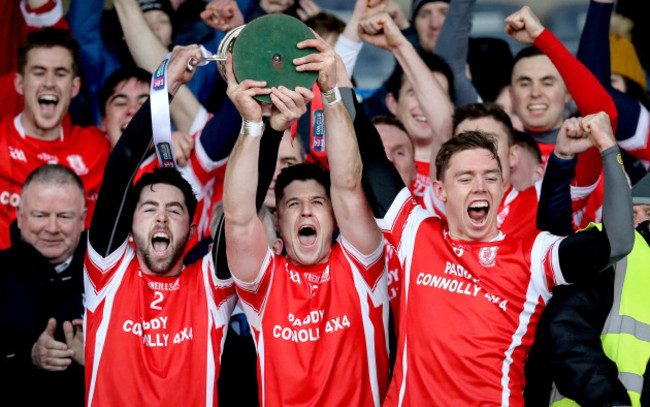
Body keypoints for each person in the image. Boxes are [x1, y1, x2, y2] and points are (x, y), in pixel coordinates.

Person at [355, 98, 633, 404]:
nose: (479, 187)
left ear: (502, 186)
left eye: (490, 177)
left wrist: (608, 147)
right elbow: (370, 156)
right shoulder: (417, 233)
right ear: (439, 191)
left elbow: (618, 243)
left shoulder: (533, 256)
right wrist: (336, 87)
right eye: (465, 178)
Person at [222, 34, 390, 406]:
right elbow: (237, 217)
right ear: (278, 224)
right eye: (293, 205)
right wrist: (254, 125)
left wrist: (331, 95)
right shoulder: (264, 281)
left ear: (335, 218)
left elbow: (347, 182)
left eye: (317, 202)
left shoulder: (361, 265)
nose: (307, 211)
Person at [524, 128, 650, 407]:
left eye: (649, 214)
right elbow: (565, 331)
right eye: (631, 214)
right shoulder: (620, 255)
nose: (639, 223)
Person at [0, 27, 110, 250]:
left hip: (72, 281)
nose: (49, 82)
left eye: (60, 73)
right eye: (39, 72)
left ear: (75, 86)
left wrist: (166, 140)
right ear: (19, 84)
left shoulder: (95, 147)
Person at [0, 164, 86, 405]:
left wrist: (100, 356)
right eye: (40, 215)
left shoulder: (112, 277)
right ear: (20, 216)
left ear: (82, 220)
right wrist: (27, 355)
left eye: (64, 216)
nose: (51, 228)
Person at [359, 11, 454, 200]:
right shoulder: (366, 158)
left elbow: (443, 123)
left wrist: (400, 45)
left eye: (437, 95)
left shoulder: (459, 171)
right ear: (392, 103)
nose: (425, 106)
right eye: (414, 93)